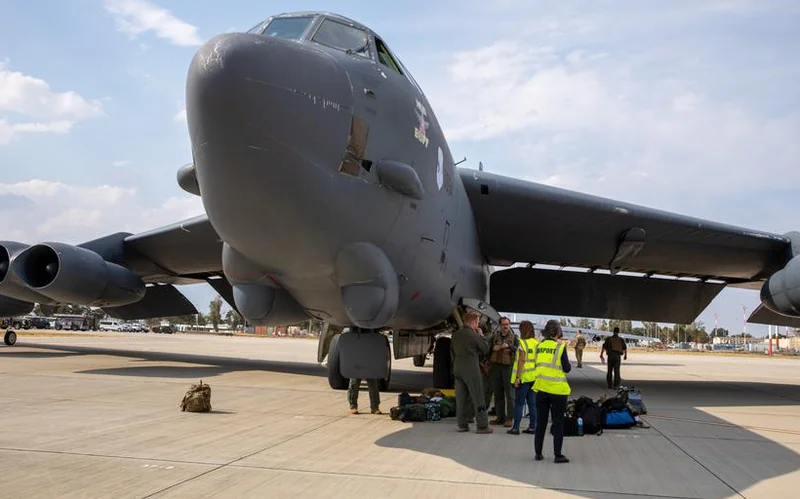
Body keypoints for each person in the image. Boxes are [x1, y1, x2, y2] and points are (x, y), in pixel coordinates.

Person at [533, 319, 572, 463]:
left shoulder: (539, 346)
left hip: (541, 389)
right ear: (557, 332)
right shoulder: (560, 348)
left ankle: (538, 453)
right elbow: (567, 368)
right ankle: (557, 455)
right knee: (558, 423)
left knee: (540, 423)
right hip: (557, 391)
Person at [451, 310, 493, 433]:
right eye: (478, 322)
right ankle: (482, 425)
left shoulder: (455, 335)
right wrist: (481, 335)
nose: (478, 325)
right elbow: (485, 349)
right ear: (474, 321)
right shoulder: (473, 335)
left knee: (461, 398)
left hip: (458, 368)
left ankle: (462, 424)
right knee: (478, 396)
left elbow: (452, 353)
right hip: (471, 369)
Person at [507, 320, 538, 435]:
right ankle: (532, 427)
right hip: (534, 378)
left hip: (524, 377)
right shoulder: (537, 343)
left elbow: (521, 361)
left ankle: (515, 428)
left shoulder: (522, 344)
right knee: (532, 404)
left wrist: (517, 378)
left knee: (519, 403)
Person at [489, 316, 518, 427]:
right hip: (496, 366)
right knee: (497, 392)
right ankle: (500, 417)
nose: (505, 326)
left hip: (508, 367)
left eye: (507, 324)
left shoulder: (514, 337)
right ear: (500, 325)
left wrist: (509, 346)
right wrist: (496, 347)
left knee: (509, 393)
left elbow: (517, 349)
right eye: (503, 324)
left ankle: (510, 418)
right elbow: (489, 348)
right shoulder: (495, 336)